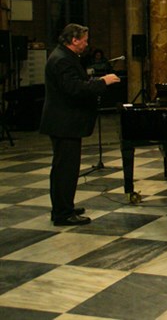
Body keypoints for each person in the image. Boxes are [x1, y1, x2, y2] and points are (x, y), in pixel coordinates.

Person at [40, 23, 120, 226]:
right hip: (64, 122)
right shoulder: (62, 60)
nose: (86, 44)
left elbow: (75, 82)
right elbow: (73, 88)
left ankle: (64, 206)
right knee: (65, 169)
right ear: (74, 40)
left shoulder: (65, 56)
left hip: (65, 122)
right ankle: (62, 213)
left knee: (65, 168)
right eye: (84, 40)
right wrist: (104, 82)